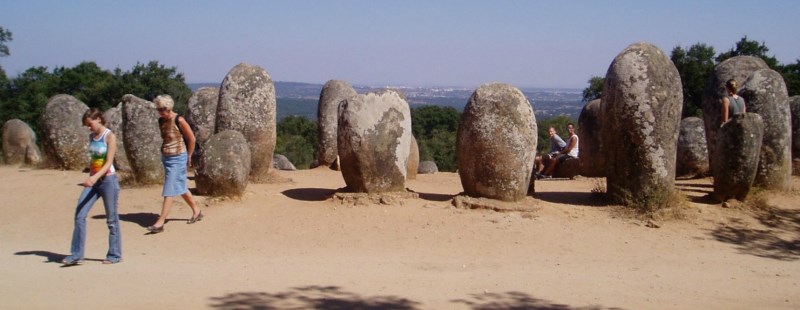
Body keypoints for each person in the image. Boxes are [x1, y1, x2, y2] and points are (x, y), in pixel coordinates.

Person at [62, 108, 122, 265]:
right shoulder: (92, 137)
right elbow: (93, 160)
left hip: (108, 181)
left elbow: (108, 162)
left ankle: (114, 254)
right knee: (80, 214)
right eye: (87, 125)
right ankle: (76, 254)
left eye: (90, 124)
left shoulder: (109, 136)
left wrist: (95, 177)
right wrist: (91, 176)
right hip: (93, 181)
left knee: (111, 219)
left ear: (98, 119)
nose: (89, 128)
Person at [147, 95, 203, 233]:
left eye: (163, 109)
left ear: (169, 107)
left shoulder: (179, 120)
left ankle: (160, 222)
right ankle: (197, 211)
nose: (161, 112)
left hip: (179, 157)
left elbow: (192, 139)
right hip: (167, 158)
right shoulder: (161, 121)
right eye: (159, 109)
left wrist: (189, 156)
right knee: (180, 186)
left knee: (169, 188)